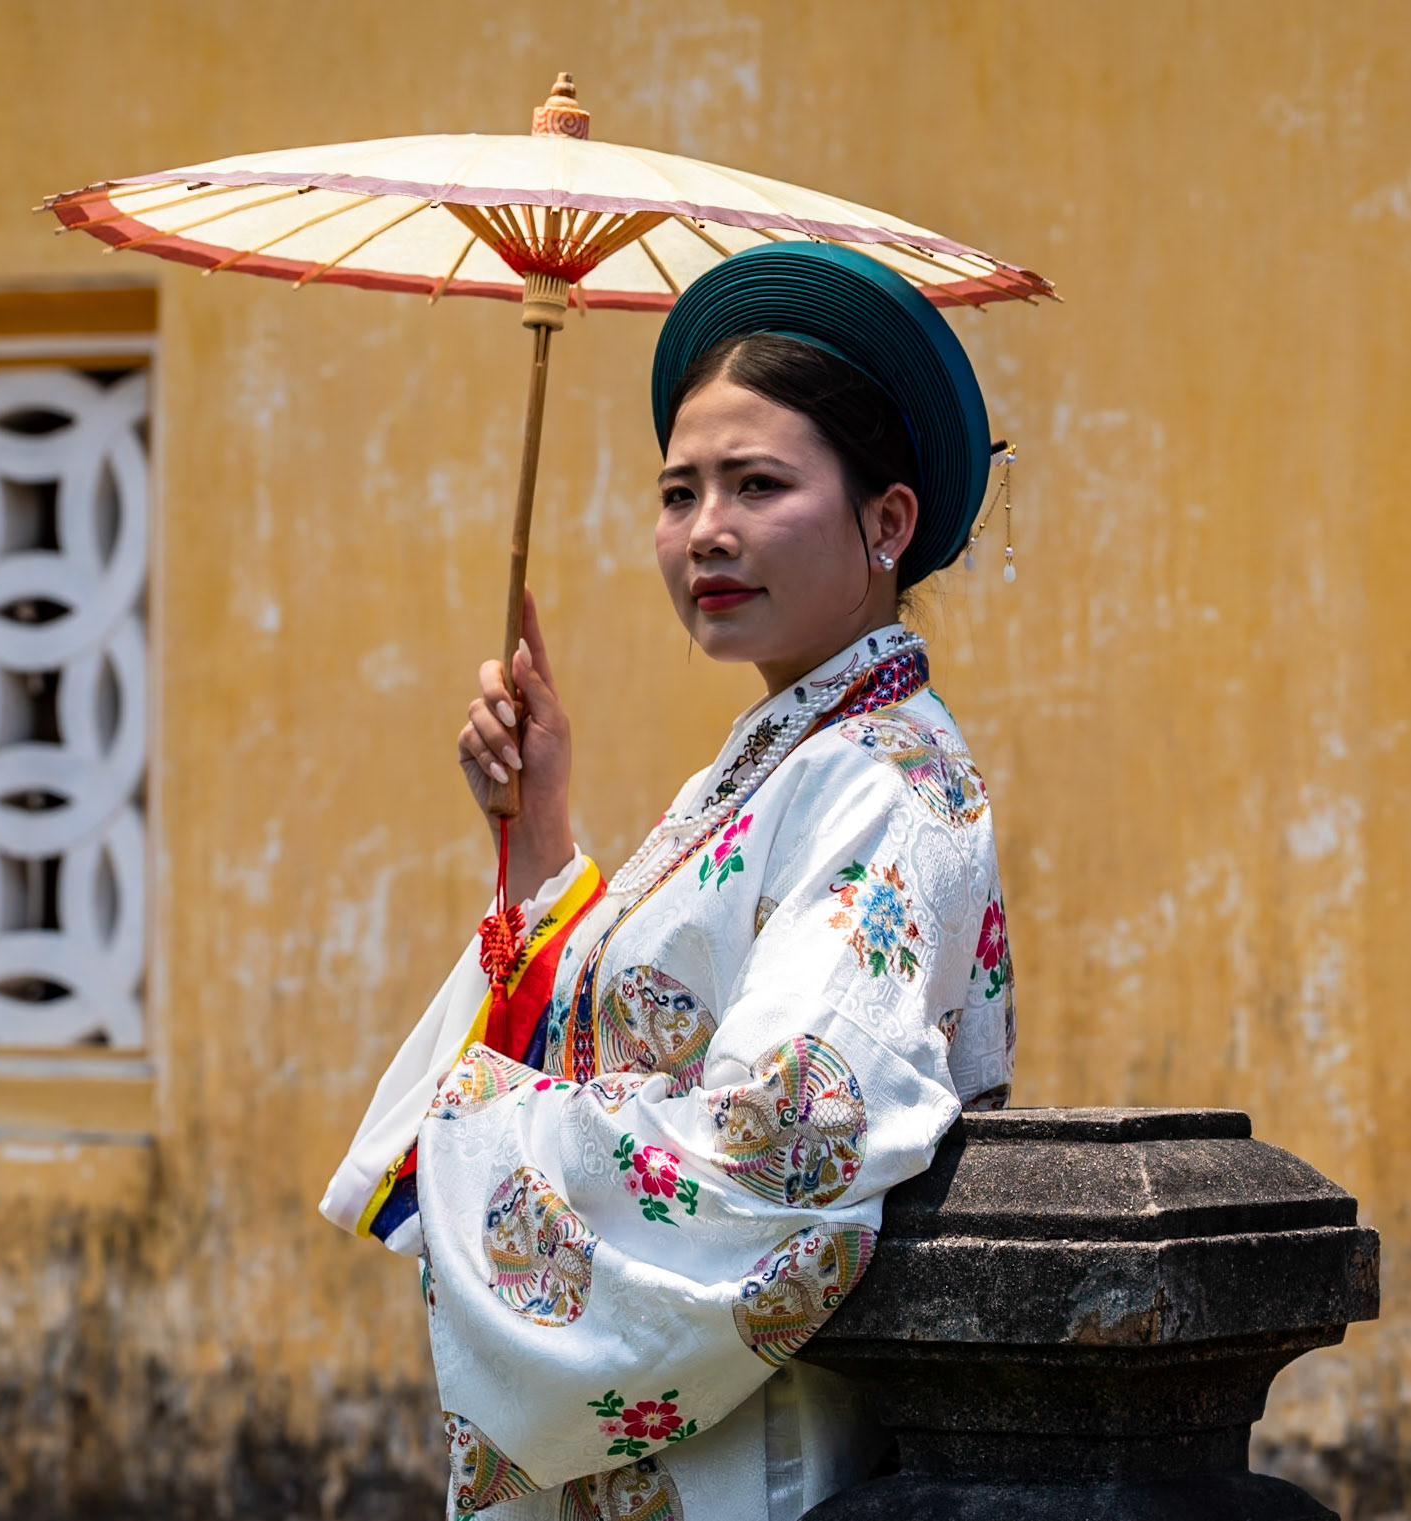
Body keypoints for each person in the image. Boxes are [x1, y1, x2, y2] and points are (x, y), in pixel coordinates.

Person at [322, 243, 1017, 1521]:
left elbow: (789, 1134)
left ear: (889, 520)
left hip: (750, 1447)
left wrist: (485, 1135)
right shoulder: (778, 760)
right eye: (679, 490)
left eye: (759, 484)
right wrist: (540, 834)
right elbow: (635, 1032)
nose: (708, 532)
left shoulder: (882, 779)